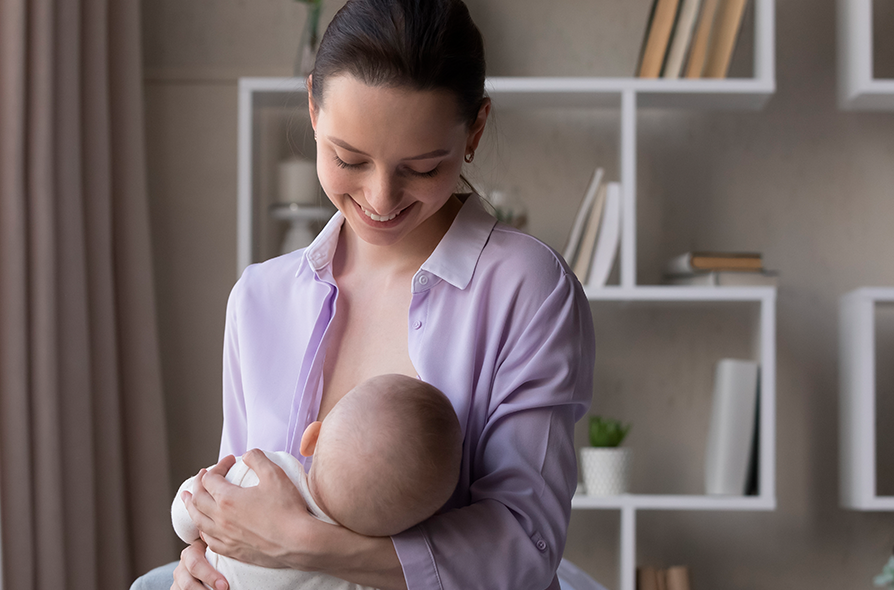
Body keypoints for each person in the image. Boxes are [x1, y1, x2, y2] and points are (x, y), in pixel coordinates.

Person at [134, 0, 593, 588]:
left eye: (423, 169)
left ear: (474, 129)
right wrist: (201, 565)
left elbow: (524, 546)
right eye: (349, 159)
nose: (380, 199)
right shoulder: (259, 299)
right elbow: (227, 507)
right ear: (313, 109)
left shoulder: (528, 289)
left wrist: (306, 546)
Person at [170, 374, 463, 590]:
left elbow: (186, 515)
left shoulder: (260, 470)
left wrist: (196, 536)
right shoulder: (366, 577)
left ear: (311, 439)